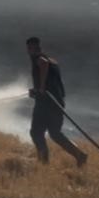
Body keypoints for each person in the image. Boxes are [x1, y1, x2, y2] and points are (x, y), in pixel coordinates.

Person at [26, 37, 88, 167]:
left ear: (32, 48)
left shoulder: (39, 59)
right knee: (55, 133)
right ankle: (80, 155)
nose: (28, 51)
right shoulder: (52, 61)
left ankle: (43, 163)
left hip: (45, 103)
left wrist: (41, 88)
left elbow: (43, 64)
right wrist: (37, 90)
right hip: (57, 102)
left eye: (29, 48)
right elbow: (52, 82)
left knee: (36, 132)